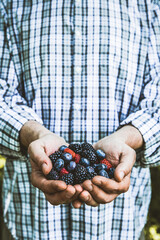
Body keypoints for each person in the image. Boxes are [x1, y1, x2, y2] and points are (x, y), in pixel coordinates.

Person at [0, 0, 160, 239]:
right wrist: (32, 133)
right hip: (29, 224)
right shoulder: (10, 5)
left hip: (119, 226)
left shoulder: (150, 6)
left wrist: (130, 137)